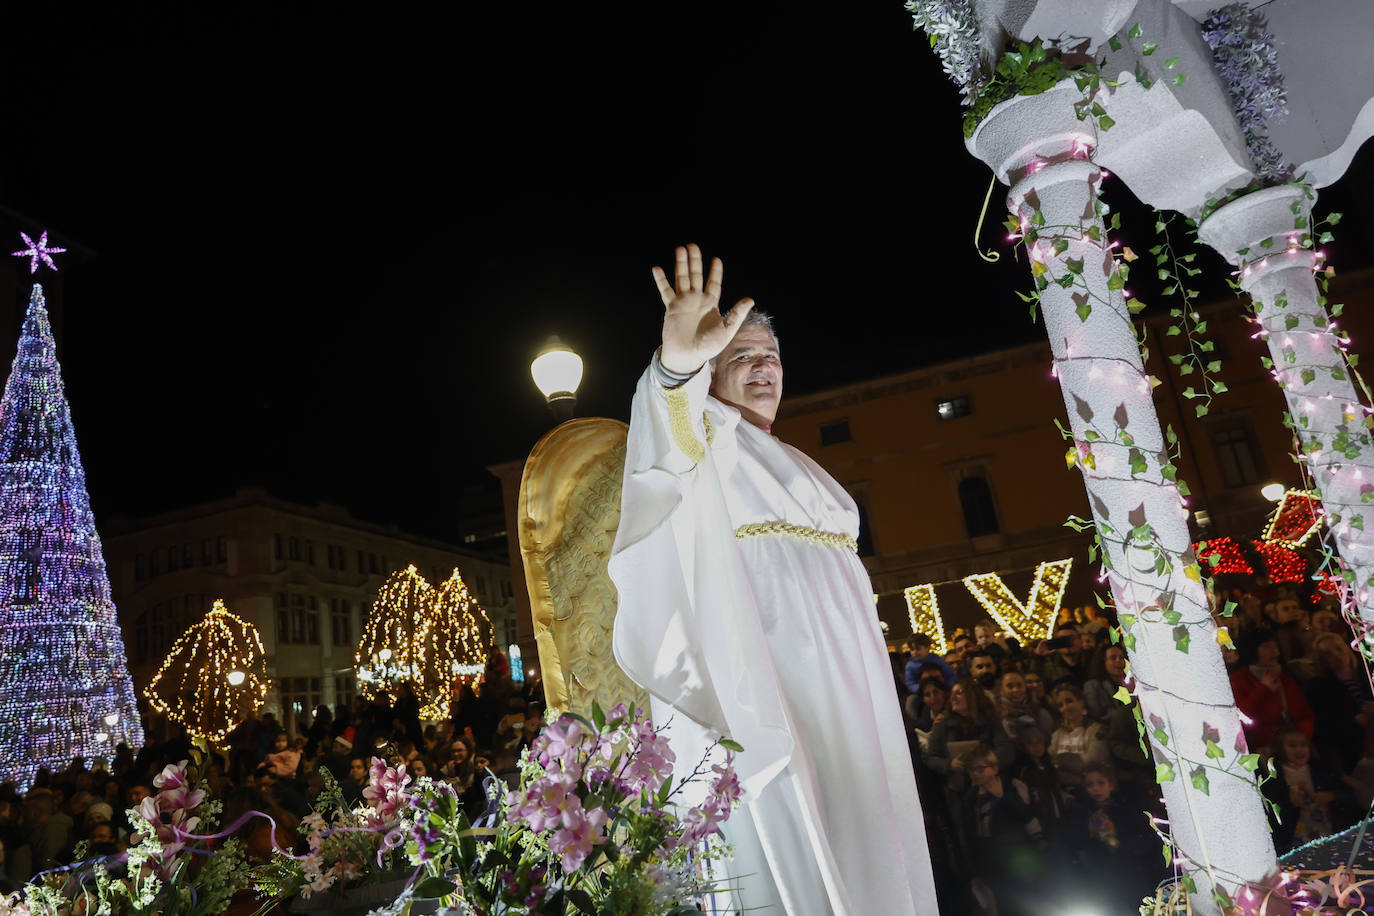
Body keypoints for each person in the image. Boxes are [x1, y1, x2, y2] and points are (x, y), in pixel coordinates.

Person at [609, 244, 936, 913]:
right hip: (767, 694)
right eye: (742, 357)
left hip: (856, 707)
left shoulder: (807, 469)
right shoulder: (707, 438)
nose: (762, 368)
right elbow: (661, 444)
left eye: (772, 358)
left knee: (873, 851)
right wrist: (675, 367)